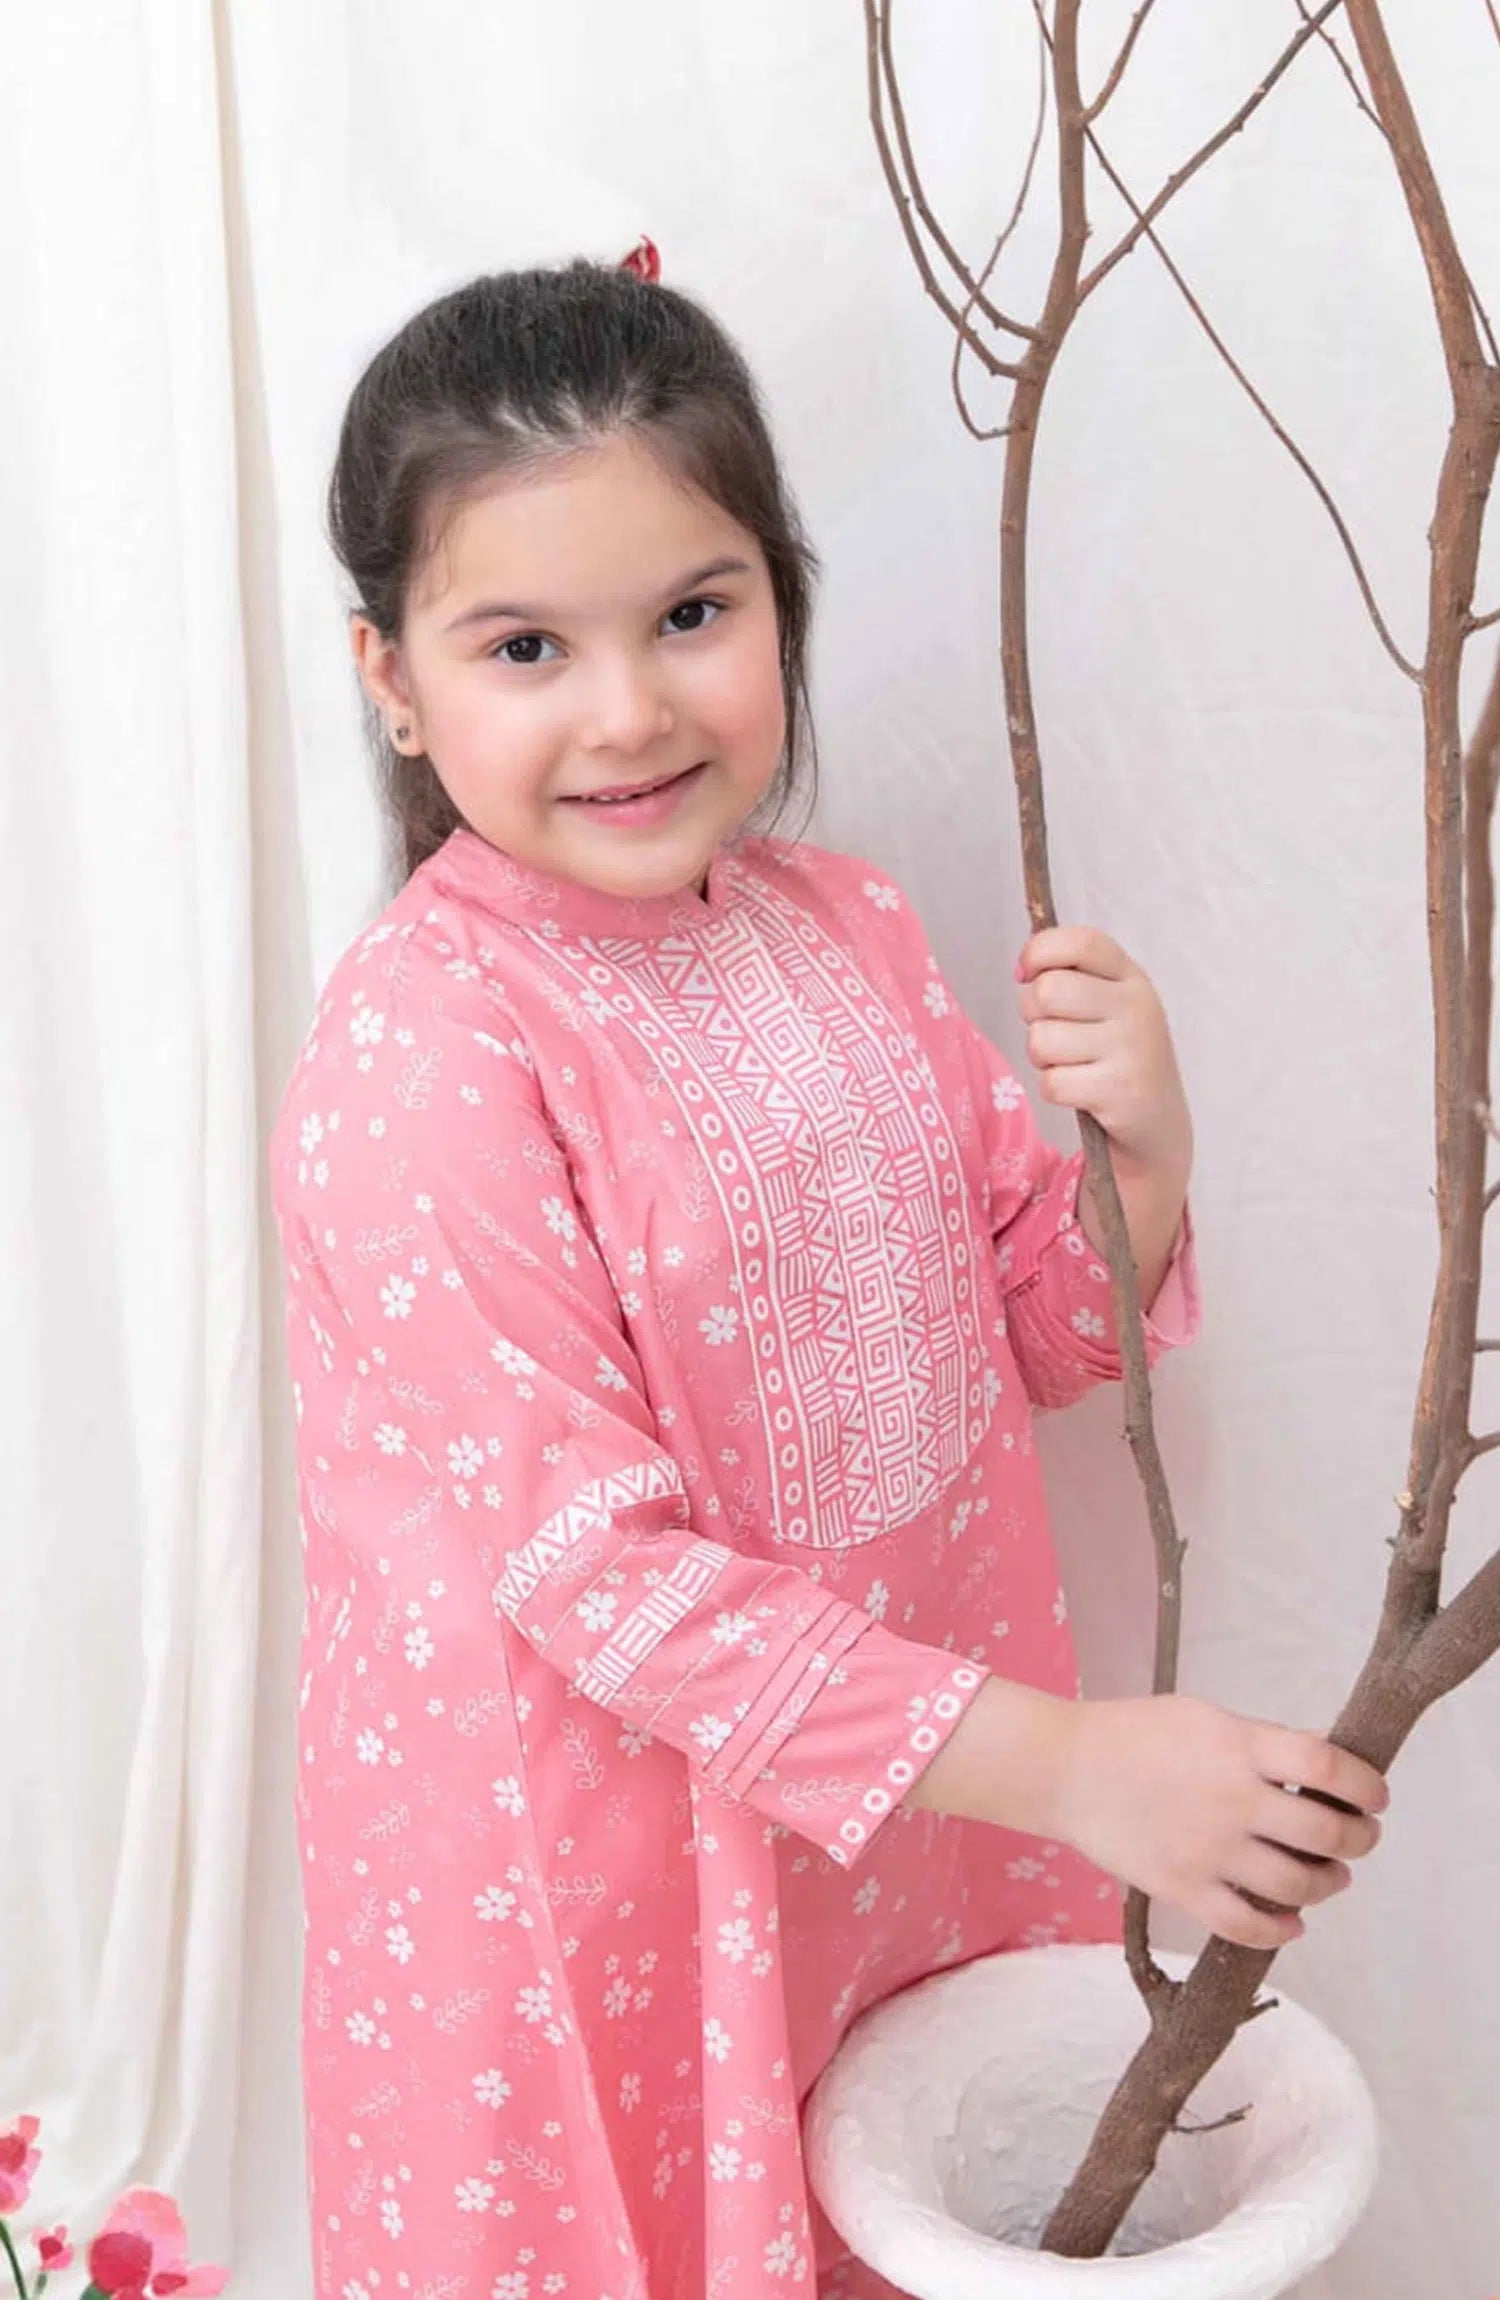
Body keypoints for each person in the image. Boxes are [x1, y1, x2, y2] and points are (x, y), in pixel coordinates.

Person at [269, 254, 1387, 2300]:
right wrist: (1080, 1766)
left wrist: (1145, 1151)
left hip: (910, 1824)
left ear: (781, 599)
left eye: (692, 614)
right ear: (394, 681)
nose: (629, 709)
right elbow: (603, 1581)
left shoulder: (844, 927)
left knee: (902, 2198)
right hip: (604, 1870)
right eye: (526, 646)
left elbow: (1035, 1331)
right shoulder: (426, 1053)